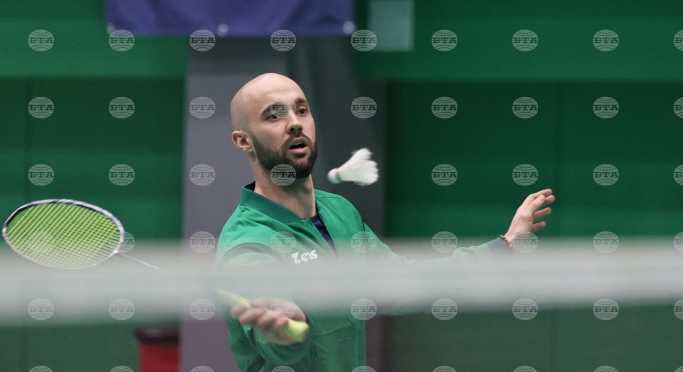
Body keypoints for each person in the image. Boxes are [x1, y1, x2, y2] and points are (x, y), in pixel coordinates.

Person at [216, 73, 555, 372]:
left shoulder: (339, 212)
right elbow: (277, 340)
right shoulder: (247, 243)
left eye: (301, 110)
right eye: (274, 115)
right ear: (243, 141)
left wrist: (504, 247)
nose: (294, 123)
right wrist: (288, 328)